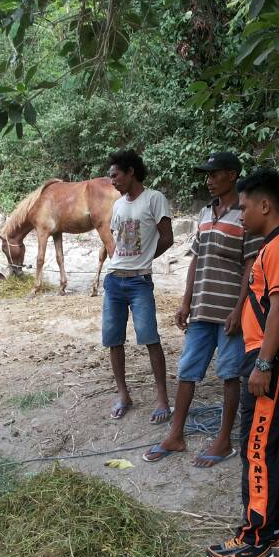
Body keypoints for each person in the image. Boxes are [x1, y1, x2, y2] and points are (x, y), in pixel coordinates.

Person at [206, 168, 279, 557]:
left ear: (266, 205)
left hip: (271, 359)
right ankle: (277, 525)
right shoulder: (276, 244)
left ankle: (255, 539)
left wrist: (263, 364)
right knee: (275, 442)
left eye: (245, 207)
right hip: (268, 356)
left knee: (257, 446)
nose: (241, 214)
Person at [143, 151, 262, 467]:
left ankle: (223, 440)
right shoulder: (205, 213)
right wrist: (185, 301)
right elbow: (196, 258)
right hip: (201, 310)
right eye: (207, 175)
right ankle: (176, 434)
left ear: (233, 175)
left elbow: (250, 266)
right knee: (187, 370)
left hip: (229, 313)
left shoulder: (245, 215)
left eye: (214, 174)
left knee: (229, 374)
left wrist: (239, 309)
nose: (208, 181)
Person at [103, 150, 174, 423]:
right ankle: (123, 394)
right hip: (113, 281)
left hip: (139, 282)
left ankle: (162, 399)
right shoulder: (119, 205)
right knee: (113, 340)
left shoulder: (154, 199)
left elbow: (167, 238)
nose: (112, 181)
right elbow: (115, 240)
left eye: (115, 175)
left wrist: (145, 258)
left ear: (131, 171)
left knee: (150, 338)